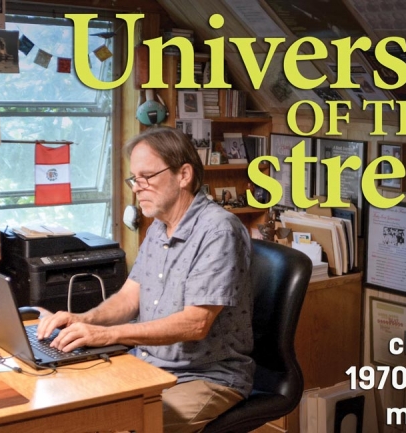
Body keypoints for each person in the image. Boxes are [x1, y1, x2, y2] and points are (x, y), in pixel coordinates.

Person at [37, 127, 254, 433]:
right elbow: (129, 297)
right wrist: (82, 320)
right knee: (66, 404)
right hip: (149, 365)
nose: (137, 188)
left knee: (117, 426)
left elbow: (195, 324)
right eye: (134, 179)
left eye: (147, 177)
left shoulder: (218, 230)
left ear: (184, 175)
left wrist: (110, 336)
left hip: (206, 377)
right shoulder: (157, 227)